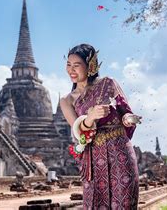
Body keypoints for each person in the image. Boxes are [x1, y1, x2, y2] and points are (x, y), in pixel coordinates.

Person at [59, 43, 141, 209]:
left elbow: (124, 111)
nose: (71, 70)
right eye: (68, 65)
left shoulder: (108, 83)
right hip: (93, 157)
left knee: (124, 202)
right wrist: (90, 117)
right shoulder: (67, 100)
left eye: (77, 65)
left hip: (120, 151)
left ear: (90, 66)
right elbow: (78, 132)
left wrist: (128, 118)